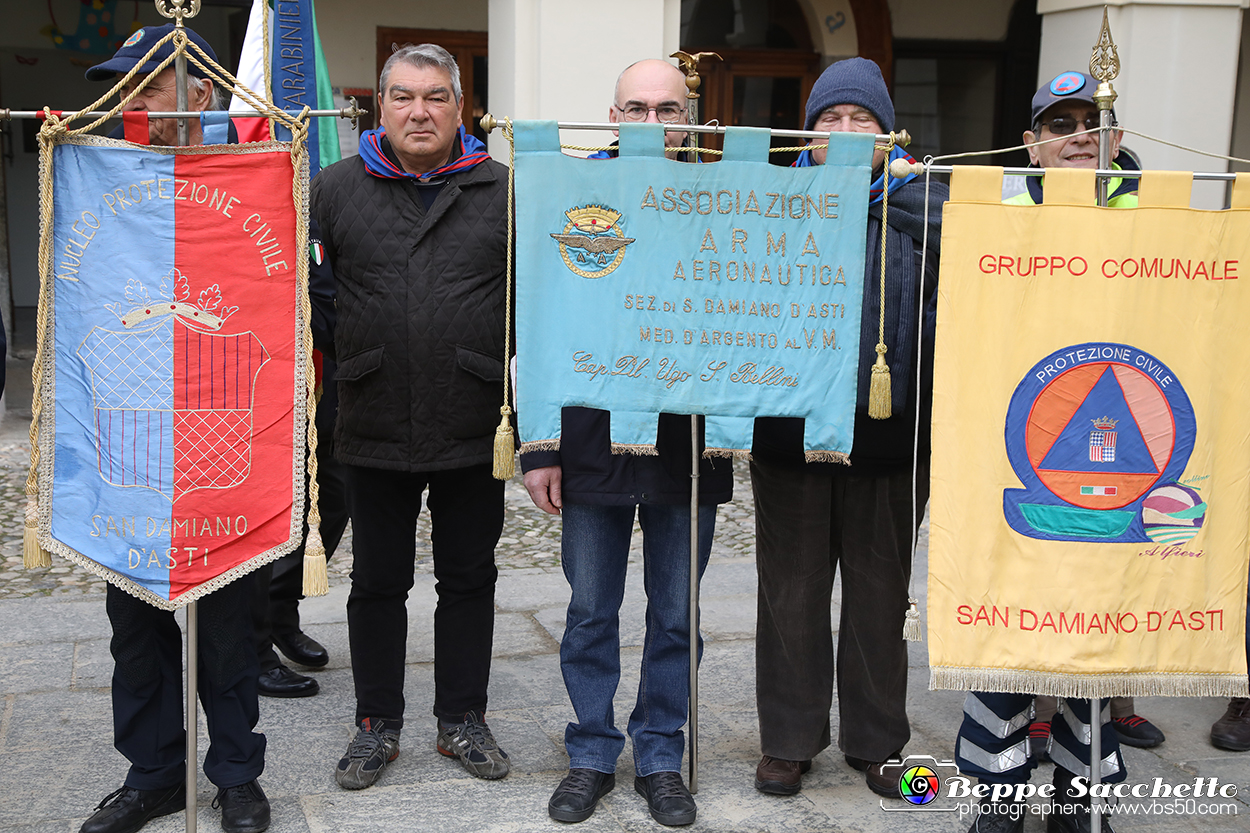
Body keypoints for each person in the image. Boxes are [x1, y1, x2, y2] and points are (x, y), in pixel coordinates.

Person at [522, 59, 731, 827]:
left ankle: (659, 753)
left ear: (693, 119)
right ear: (611, 116)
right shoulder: (570, 196)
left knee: (676, 613)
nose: (651, 121)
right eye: (636, 108)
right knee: (589, 608)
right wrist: (538, 446)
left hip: (689, 441)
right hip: (590, 436)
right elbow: (537, 322)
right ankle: (589, 751)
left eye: (666, 108)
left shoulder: (727, 200)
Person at [77, 24, 271, 833]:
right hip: (130, 439)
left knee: (229, 635)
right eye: (122, 85)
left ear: (198, 94)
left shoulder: (260, 176)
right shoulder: (100, 178)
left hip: (231, 435)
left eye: (145, 86)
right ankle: (153, 771)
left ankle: (235, 775)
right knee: (137, 631)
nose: (130, 101)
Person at [310, 42, 511, 790]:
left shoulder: (502, 190)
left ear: (461, 108)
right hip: (371, 416)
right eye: (403, 97)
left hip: (471, 417)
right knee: (376, 582)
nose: (419, 111)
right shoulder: (334, 188)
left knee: (469, 578)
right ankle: (375, 723)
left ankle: (462, 717)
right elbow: (305, 293)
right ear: (380, 106)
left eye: (435, 97)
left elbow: (529, 302)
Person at [748, 57, 945, 801]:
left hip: (892, 441)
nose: (844, 129)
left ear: (887, 131)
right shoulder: (770, 199)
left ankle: (878, 742)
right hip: (789, 434)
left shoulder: (931, 202)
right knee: (791, 594)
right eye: (829, 117)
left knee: (878, 596)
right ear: (808, 129)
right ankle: (789, 740)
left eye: (861, 118)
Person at [954, 70, 1147, 833]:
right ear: (1030, 144)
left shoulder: (1153, 217)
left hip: (1116, 459)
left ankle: (1079, 796)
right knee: (1007, 624)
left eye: (1091, 125)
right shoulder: (997, 215)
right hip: (1015, 450)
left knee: (1095, 632)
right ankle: (998, 798)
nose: (1077, 137)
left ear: (1115, 141)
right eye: (1058, 125)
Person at [252, 355, 349, 698]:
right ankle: (252, 649)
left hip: (325, 362)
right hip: (266, 361)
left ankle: (278, 605)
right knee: (262, 504)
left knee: (336, 496)